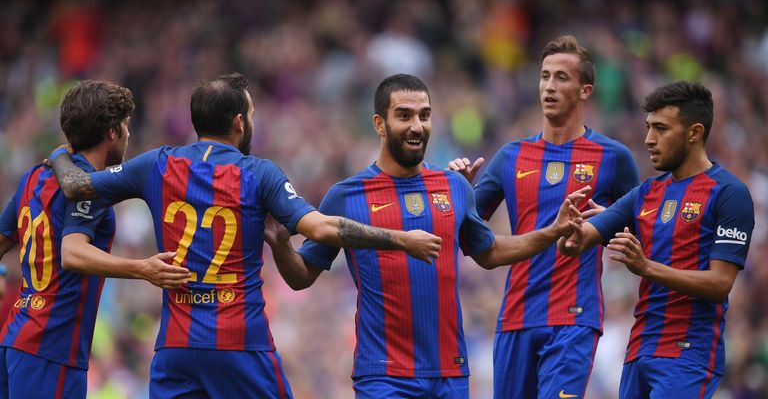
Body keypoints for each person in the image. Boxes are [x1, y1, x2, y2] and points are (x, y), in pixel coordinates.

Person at [47, 73, 443, 399]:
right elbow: (321, 228)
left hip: (175, 348)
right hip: (239, 342)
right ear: (239, 122)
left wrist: (60, 154)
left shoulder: (157, 163)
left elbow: (76, 186)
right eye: (251, 114)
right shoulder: (258, 172)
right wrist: (401, 239)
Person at [264, 74, 588, 399]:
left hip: (451, 374)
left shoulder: (455, 186)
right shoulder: (346, 196)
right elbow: (302, 276)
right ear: (380, 123)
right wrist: (280, 246)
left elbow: (489, 252)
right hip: (384, 375)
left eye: (425, 115)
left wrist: (552, 232)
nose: (417, 125)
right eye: (404, 115)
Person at [448, 35, 640, 398]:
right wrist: (457, 191)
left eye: (561, 78)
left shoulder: (613, 157)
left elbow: (645, 234)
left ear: (585, 90)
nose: (549, 86)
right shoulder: (511, 156)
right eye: (544, 76)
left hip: (573, 318)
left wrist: (610, 223)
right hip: (515, 318)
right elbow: (464, 234)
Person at [558, 81, 754, 398]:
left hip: (689, 352)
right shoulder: (646, 193)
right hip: (639, 349)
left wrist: (647, 267)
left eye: (661, 129)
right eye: (649, 127)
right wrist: (566, 227)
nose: (649, 139)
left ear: (694, 133)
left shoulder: (729, 194)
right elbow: (574, 244)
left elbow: (720, 283)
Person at [0, 80, 189, 398]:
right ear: (112, 132)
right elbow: (72, 254)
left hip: (14, 339)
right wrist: (142, 268)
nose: (129, 135)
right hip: (52, 347)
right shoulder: (89, 187)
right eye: (126, 126)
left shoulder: (33, 177)